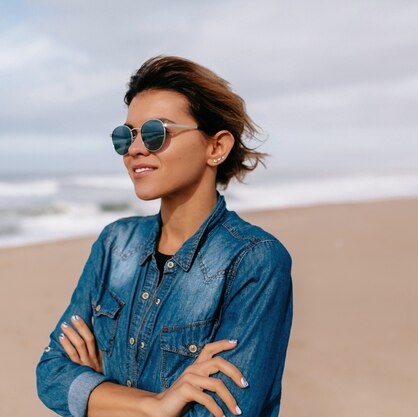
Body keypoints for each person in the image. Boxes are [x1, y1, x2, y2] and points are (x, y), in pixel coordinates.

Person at [36, 55, 293, 417]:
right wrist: (156, 405)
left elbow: (223, 412)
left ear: (216, 147)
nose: (136, 149)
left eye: (157, 133)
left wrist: (97, 396)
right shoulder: (115, 244)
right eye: (125, 136)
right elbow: (51, 375)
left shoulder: (253, 260)